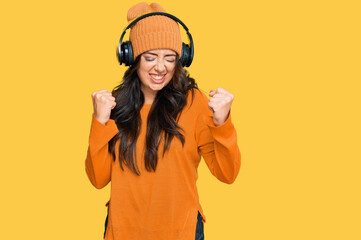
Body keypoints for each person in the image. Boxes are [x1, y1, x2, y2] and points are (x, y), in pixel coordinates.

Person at [85, 2, 241, 240]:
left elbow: (227, 174)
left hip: (181, 232)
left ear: (181, 59)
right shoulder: (115, 106)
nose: (160, 67)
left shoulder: (194, 103)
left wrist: (223, 124)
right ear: (132, 57)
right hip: (124, 232)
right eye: (150, 57)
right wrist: (99, 121)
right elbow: (98, 180)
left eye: (170, 58)